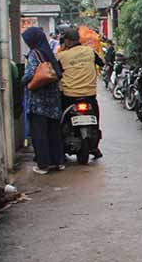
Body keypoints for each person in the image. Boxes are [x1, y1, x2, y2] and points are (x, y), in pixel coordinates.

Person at [21, 26, 64, 174]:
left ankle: (43, 165)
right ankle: (58, 161)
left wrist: (23, 80)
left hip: (39, 101)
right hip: (53, 101)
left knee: (40, 134)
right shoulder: (49, 53)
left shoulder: (34, 54)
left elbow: (30, 74)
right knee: (54, 132)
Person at [56, 25, 104, 159]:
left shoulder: (61, 56)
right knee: (95, 119)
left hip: (69, 96)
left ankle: (59, 150)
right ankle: (95, 147)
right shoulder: (89, 52)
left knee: (60, 121)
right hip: (89, 96)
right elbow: (102, 63)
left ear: (66, 41)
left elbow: (56, 74)